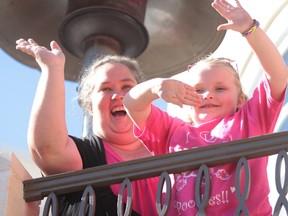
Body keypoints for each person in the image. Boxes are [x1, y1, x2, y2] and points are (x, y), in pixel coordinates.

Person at [123, 0, 288, 215]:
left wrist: (250, 29)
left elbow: (278, 77)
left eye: (220, 88)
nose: (208, 94)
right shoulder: (174, 131)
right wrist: (156, 86)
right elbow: (131, 103)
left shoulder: (249, 119)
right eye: (198, 90)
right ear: (183, 100)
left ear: (239, 100)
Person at [15, 39, 160, 215]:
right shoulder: (85, 155)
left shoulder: (171, 145)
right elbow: (47, 149)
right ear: (90, 107)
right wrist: (52, 68)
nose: (117, 95)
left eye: (127, 86)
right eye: (105, 89)